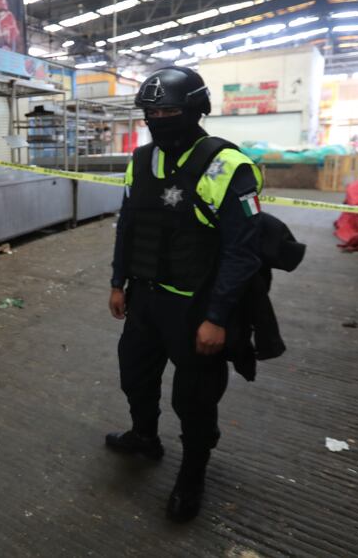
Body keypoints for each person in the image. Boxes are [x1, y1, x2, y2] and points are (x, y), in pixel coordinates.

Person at [106, 67, 263, 522]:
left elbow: (242, 253)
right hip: (144, 297)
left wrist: (217, 317)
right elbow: (128, 227)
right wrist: (118, 282)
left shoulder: (229, 165)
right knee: (134, 376)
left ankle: (193, 472)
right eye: (150, 112)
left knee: (194, 398)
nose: (159, 118)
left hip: (196, 306)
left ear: (196, 110)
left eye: (169, 110)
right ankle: (145, 437)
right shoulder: (140, 160)